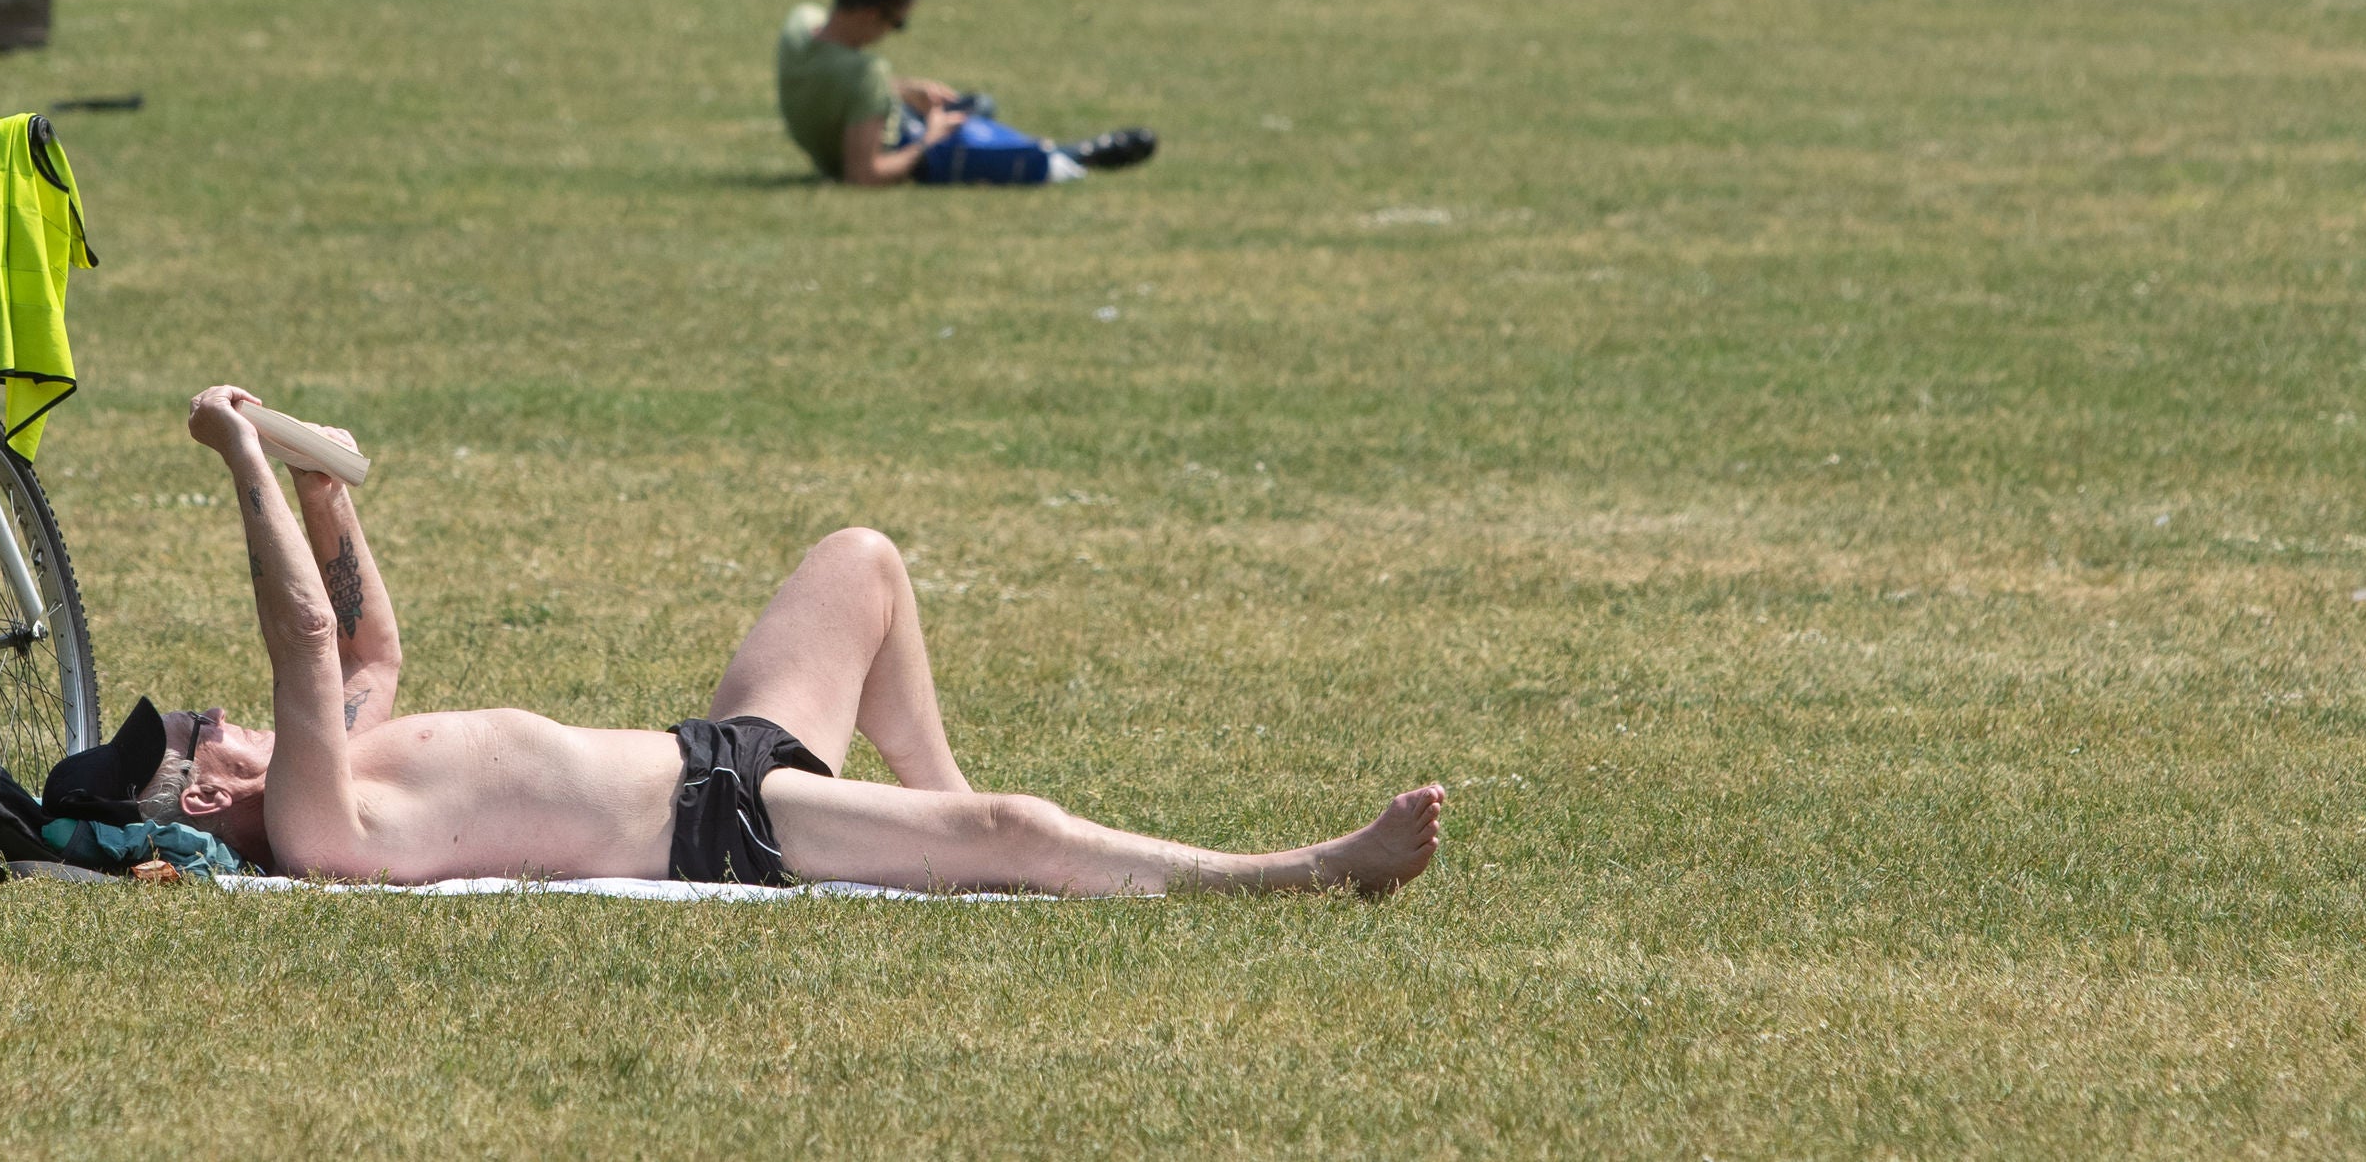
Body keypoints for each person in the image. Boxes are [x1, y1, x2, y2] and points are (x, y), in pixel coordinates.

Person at [159, 385, 1444, 895]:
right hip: (724, 827)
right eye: (205, 731)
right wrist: (239, 465)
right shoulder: (321, 822)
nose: (225, 712)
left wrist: (320, 491)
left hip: (724, 752)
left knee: (861, 562)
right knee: (1022, 829)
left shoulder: (332, 762)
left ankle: (938, 824)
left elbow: (369, 645)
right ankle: (1307, 872)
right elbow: (311, 639)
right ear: (210, 789)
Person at [778, 0, 1155, 186]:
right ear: (872, 13)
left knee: (978, 106)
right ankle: (1079, 152)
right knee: (1027, 160)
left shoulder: (800, 23)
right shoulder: (866, 75)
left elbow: (829, 78)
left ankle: (1068, 150)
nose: (894, 32)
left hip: (880, 117)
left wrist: (904, 90)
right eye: (898, 22)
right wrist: (930, 140)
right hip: (909, 147)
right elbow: (863, 175)